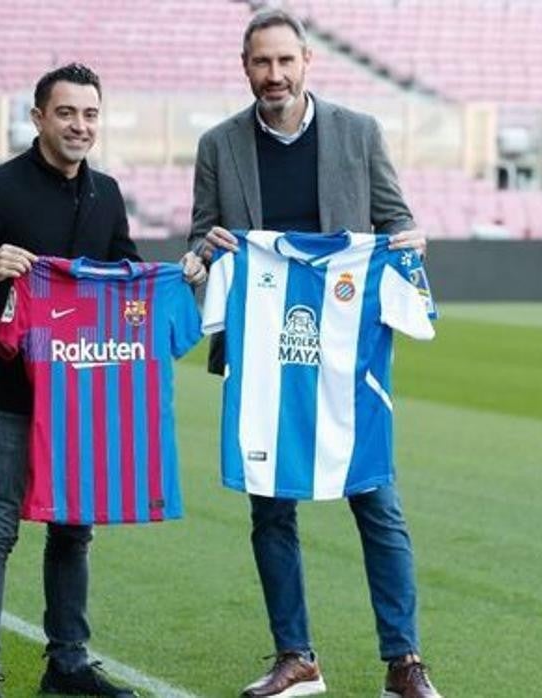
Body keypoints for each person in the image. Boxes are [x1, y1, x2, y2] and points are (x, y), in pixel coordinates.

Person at [185, 9, 441, 698]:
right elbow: (201, 238)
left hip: (343, 357)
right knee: (271, 510)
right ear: (246, 68)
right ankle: (296, 657)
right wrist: (204, 254)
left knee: (376, 501)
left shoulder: (359, 134)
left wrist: (410, 243)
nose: (274, 75)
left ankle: (404, 662)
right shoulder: (219, 145)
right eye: (261, 63)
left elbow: (395, 220)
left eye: (284, 62)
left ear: (306, 63)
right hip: (264, 358)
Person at [0, 63, 151, 698]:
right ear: (38, 118)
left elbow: (126, 275)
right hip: (9, 391)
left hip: (81, 395)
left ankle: (68, 664)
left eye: (90, 115)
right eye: (66, 113)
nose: (80, 126)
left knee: (73, 530)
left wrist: (170, 275)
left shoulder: (106, 193)